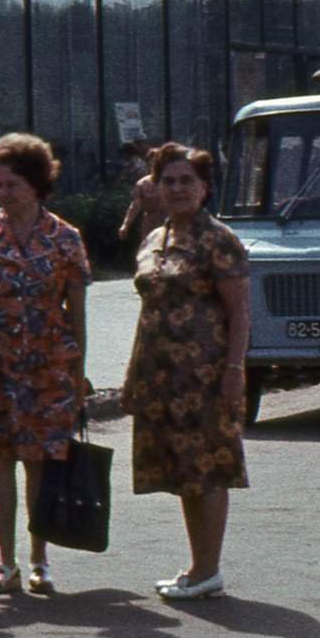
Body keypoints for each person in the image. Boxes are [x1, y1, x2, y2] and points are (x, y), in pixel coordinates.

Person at [0, 134, 89, 598]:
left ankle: (39, 561)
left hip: (47, 365)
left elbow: (77, 312)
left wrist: (78, 372)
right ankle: (5, 562)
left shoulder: (65, 239)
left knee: (39, 463)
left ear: (35, 184)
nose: (3, 193)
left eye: (12, 185)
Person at [122, 144, 252, 602]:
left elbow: (239, 313)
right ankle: (198, 566)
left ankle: (208, 569)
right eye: (168, 181)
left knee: (208, 469)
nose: (176, 189)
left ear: (205, 188)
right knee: (183, 472)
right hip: (160, 377)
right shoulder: (154, 238)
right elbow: (148, 309)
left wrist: (235, 369)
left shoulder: (218, 239)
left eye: (186, 182)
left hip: (205, 376)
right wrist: (133, 373)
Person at [118, 144, 168, 245]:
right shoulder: (142, 184)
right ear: (148, 164)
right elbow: (135, 206)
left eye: (157, 162)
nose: (154, 165)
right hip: (150, 226)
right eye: (152, 162)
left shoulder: (171, 182)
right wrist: (126, 224)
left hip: (170, 225)